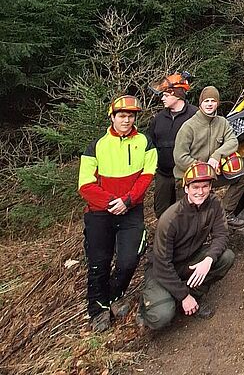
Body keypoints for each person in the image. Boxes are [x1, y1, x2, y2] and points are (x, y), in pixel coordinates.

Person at [79, 95, 157, 331]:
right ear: (112, 117)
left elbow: (147, 175)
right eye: (122, 115)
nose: (126, 120)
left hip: (131, 211)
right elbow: (85, 185)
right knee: (98, 263)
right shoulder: (96, 146)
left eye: (131, 116)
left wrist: (128, 201)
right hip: (100, 214)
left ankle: (113, 296)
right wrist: (113, 202)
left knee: (128, 259)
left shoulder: (145, 142)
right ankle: (97, 310)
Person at [137, 162, 235, 330]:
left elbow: (221, 235)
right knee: (162, 316)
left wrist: (209, 259)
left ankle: (194, 296)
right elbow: (162, 264)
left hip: (189, 261)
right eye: (195, 187)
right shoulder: (170, 218)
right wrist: (183, 296)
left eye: (205, 186)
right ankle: (147, 305)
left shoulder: (214, 204)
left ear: (210, 186)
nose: (200, 191)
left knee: (226, 257)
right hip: (162, 269)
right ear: (187, 188)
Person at [173, 85, 244, 228]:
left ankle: (226, 213)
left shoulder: (222, 122)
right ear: (200, 103)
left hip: (213, 175)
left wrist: (216, 156)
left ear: (217, 103)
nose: (209, 104)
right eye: (206, 101)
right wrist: (204, 169)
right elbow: (180, 158)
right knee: (190, 222)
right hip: (189, 178)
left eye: (213, 101)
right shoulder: (188, 127)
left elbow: (233, 141)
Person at [148, 72, 197, 218]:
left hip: (186, 174)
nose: (162, 98)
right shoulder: (158, 119)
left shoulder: (195, 115)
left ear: (176, 94)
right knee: (162, 213)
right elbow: (151, 144)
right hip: (163, 174)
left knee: (187, 213)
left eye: (166, 95)